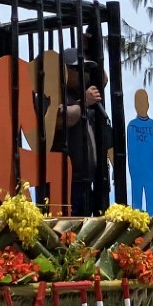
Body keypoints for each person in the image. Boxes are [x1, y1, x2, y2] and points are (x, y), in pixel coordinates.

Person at [52, 60, 112, 217]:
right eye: (79, 69)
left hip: (87, 181)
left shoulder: (83, 93)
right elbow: (63, 120)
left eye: (87, 69)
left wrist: (87, 49)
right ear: (65, 70)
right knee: (68, 231)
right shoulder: (57, 93)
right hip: (66, 181)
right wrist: (84, 102)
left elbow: (103, 79)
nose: (85, 74)